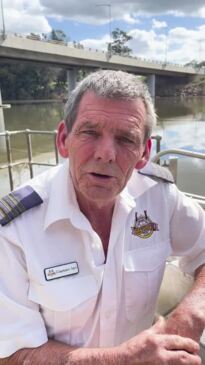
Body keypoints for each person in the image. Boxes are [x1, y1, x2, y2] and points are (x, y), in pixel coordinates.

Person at [0, 69, 205, 365]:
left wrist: (192, 311)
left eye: (125, 139)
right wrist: (121, 358)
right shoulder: (15, 229)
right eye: (90, 132)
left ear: (144, 153)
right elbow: (11, 354)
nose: (106, 153)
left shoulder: (159, 196)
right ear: (63, 140)